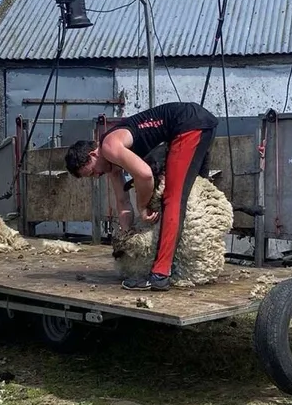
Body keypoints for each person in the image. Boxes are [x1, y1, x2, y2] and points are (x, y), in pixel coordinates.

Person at [65, 102, 217, 290]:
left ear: (92, 155)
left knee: (173, 199)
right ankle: (187, 266)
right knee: (194, 196)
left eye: (92, 172)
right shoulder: (112, 162)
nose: (96, 176)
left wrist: (142, 206)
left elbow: (144, 175)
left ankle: (160, 275)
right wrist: (128, 233)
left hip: (187, 126)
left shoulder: (109, 145)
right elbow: (122, 202)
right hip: (195, 123)